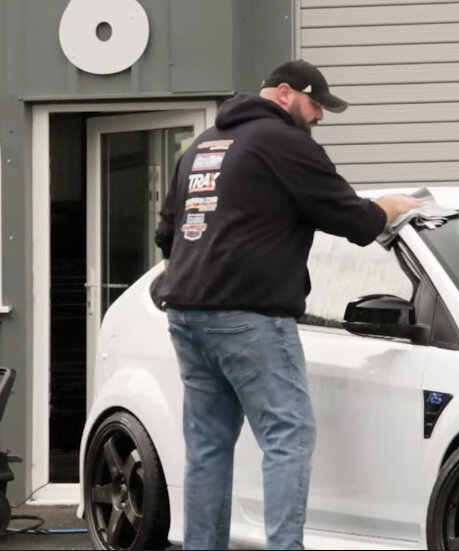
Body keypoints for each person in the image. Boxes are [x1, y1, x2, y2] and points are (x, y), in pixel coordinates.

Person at [153, 59, 421, 550]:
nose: (319, 116)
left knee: (208, 447)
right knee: (287, 438)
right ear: (284, 93)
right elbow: (354, 221)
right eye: (316, 104)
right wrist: (390, 206)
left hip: (187, 315)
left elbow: (167, 234)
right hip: (249, 316)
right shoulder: (284, 143)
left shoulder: (200, 146)